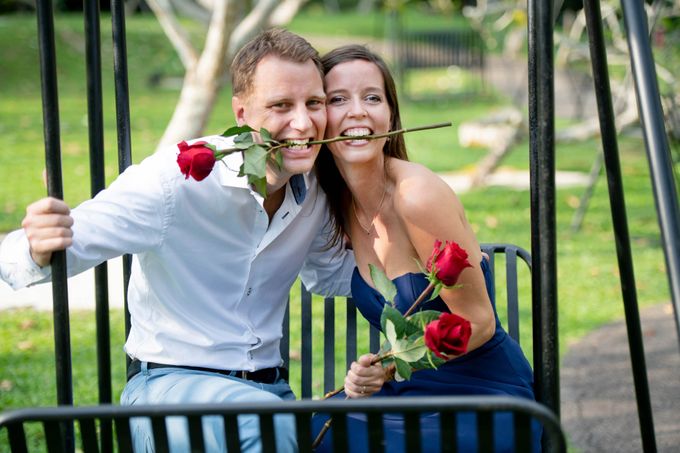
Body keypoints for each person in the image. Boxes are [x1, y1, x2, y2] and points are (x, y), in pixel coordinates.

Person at [0, 29, 355, 452]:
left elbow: (332, 274)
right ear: (241, 112)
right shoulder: (175, 180)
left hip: (269, 394)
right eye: (281, 105)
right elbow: (55, 246)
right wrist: (38, 244)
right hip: (170, 386)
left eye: (313, 103)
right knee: (268, 426)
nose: (303, 122)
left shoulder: (313, 190)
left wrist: (415, 267)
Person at [311, 45, 541, 452]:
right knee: (316, 431)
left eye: (372, 97)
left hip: (479, 390)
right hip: (409, 391)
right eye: (337, 99)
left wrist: (389, 366)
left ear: (390, 115)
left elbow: (478, 322)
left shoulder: (416, 197)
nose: (358, 112)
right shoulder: (340, 202)